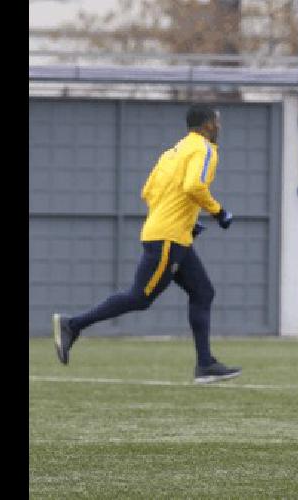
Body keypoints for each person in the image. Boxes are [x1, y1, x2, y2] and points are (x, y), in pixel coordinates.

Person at [52, 104, 242, 384]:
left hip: (172, 234)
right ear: (208, 125)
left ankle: (205, 365)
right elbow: (193, 187)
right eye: (217, 121)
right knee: (139, 298)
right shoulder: (205, 150)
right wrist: (218, 212)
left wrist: (187, 222)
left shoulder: (172, 152)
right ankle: (73, 325)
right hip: (169, 238)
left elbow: (149, 191)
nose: (220, 127)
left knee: (203, 293)